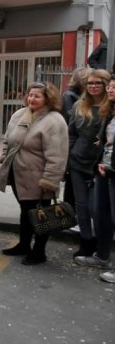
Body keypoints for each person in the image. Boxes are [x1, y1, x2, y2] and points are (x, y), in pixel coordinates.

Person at [0, 82, 68, 265]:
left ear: (48, 98)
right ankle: (23, 245)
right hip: (19, 175)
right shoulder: (20, 114)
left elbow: (58, 155)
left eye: (37, 96)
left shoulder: (54, 120)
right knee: (25, 212)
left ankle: (39, 252)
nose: (31, 99)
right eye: (30, 95)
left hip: (39, 178)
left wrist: (50, 181)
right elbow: (7, 139)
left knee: (41, 215)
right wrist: (4, 157)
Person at [68, 69, 109, 261]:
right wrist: (70, 154)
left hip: (101, 165)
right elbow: (71, 133)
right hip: (78, 161)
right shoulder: (79, 105)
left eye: (97, 83)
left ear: (106, 85)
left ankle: (102, 247)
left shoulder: (111, 107)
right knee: (81, 205)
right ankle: (85, 243)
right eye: (90, 83)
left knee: (97, 208)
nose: (93, 86)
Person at [92, 75, 115, 283]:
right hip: (104, 169)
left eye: (114, 87)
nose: (110, 90)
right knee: (101, 213)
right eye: (110, 87)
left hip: (112, 170)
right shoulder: (109, 112)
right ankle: (103, 255)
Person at [60, 67, 90, 209]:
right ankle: (69, 214)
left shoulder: (78, 96)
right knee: (72, 184)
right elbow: (71, 123)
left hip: (79, 146)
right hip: (72, 145)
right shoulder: (70, 96)